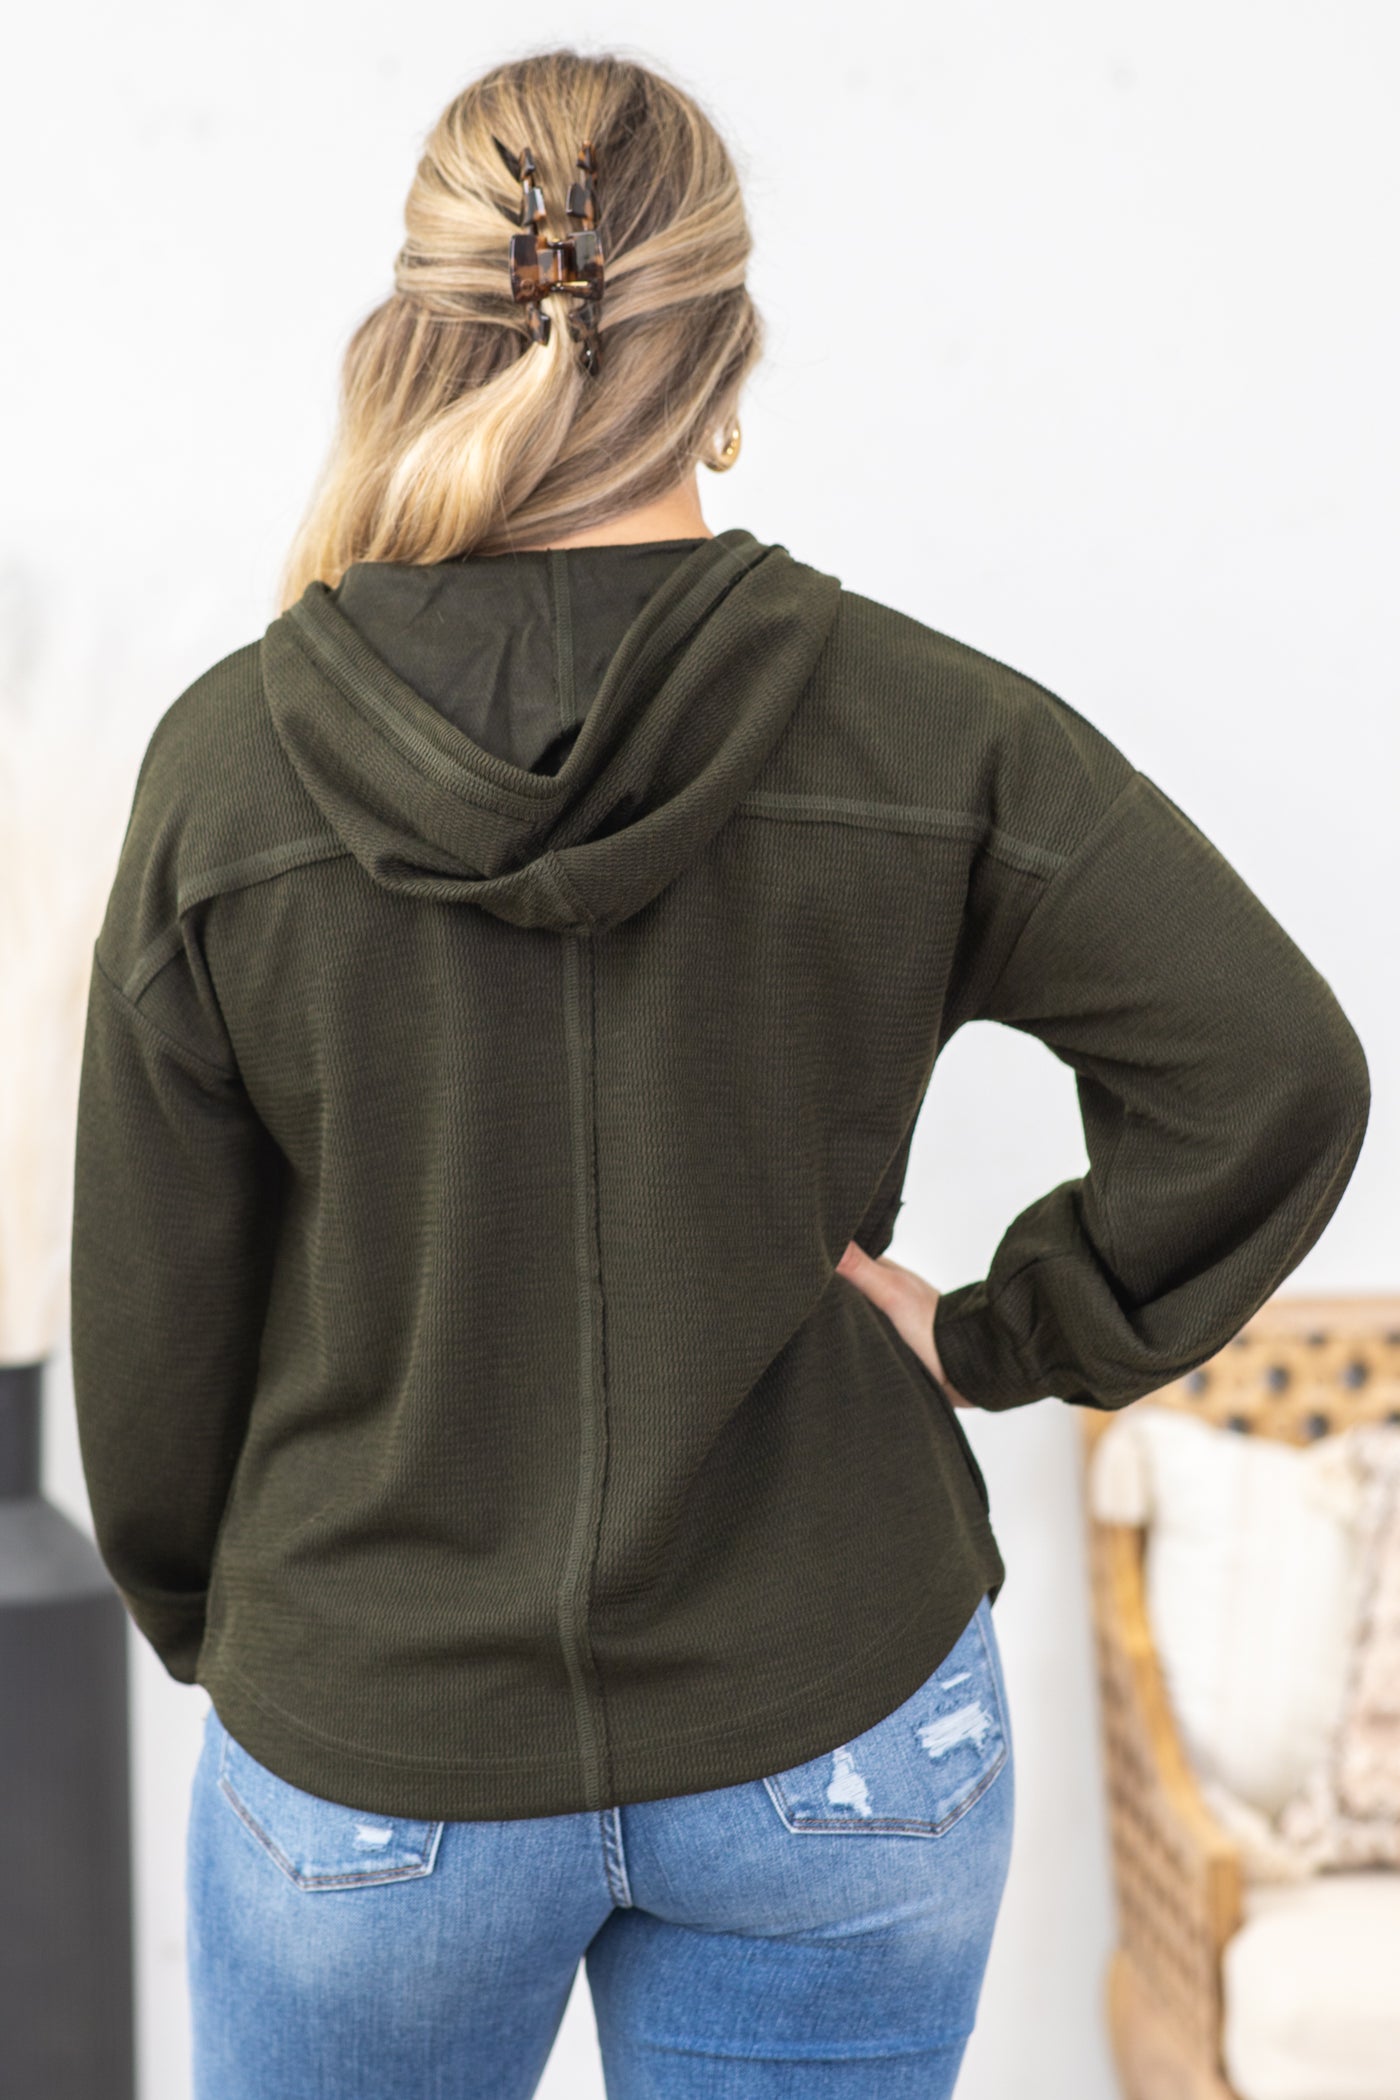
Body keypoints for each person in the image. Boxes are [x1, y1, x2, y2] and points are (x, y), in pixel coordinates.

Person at [69, 46, 1370, 2100]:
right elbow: (1269, 1069)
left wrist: (238, 1631)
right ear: (723, 354)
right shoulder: (923, 725)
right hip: (835, 1713)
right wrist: (999, 1337)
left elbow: (153, 1302)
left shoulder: (232, 767)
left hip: (379, 1738)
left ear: (430, 324)